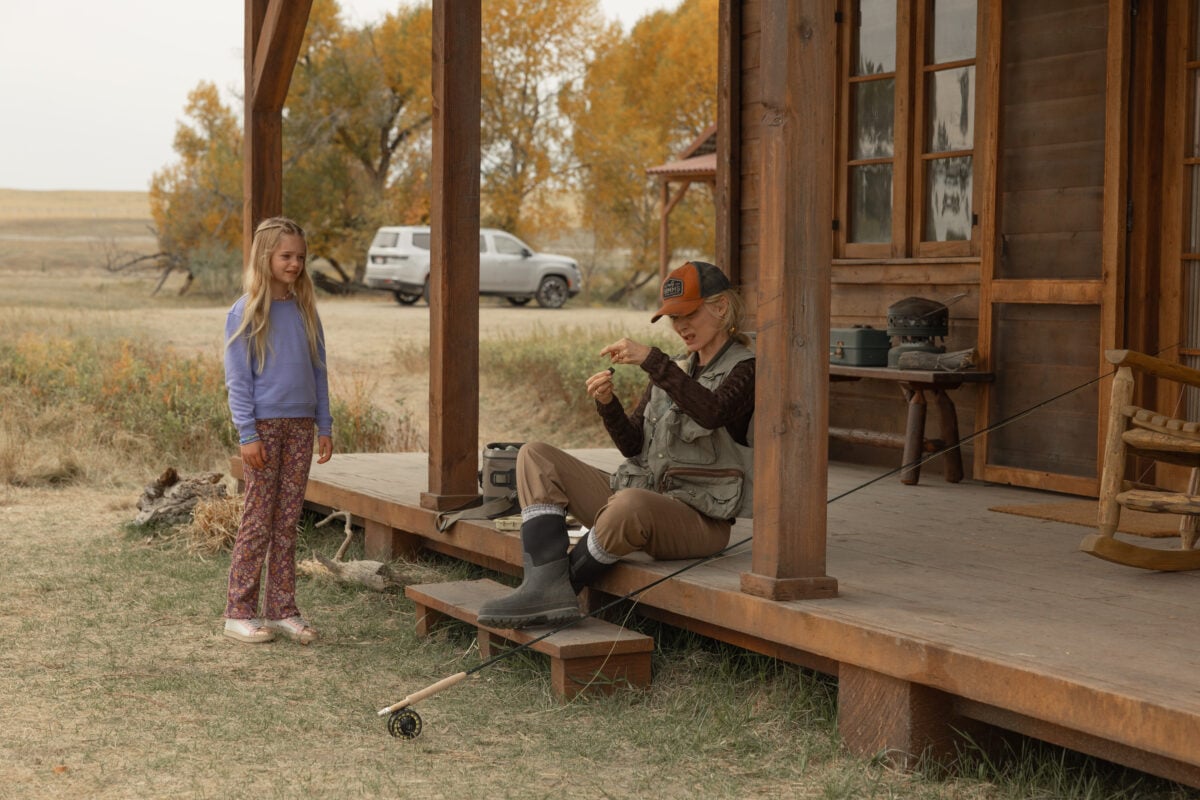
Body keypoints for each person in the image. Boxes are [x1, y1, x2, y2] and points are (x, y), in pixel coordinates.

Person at [477, 260, 755, 629]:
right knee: (534, 455)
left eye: (688, 314)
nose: (680, 326)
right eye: (673, 317)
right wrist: (608, 404)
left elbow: (712, 411)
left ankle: (556, 590)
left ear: (720, 307)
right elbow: (632, 444)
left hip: (699, 522)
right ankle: (542, 586)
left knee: (628, 504)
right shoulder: (674, 368)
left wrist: (652, 360)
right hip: (643, 501)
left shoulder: (747, 368)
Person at [221, 216, 333, 645]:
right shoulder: (245, 311)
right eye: (286, 256)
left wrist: (324, 425)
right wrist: (247, 434)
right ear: (265, 256)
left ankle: (282, 610)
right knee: (258, 521)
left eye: (300, 257)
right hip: (264, 429)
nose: (295, 264)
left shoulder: (305, 311)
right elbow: (238, 380)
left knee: (287, 522)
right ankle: (239, 612)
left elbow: (319, 371)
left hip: (302, 426)